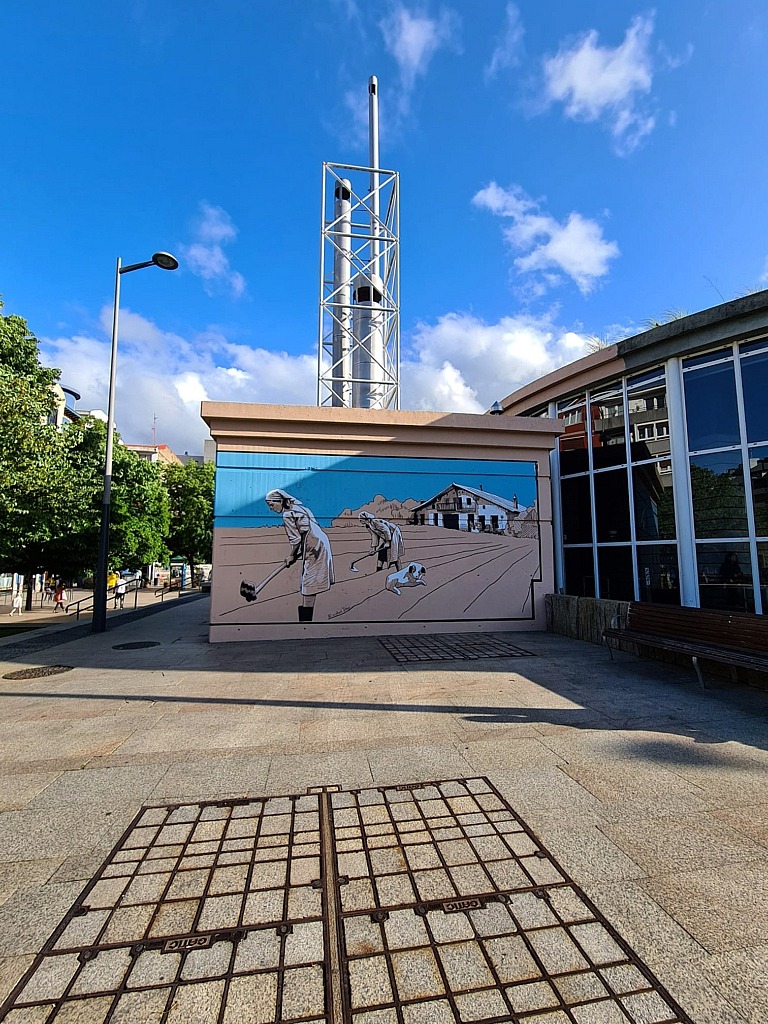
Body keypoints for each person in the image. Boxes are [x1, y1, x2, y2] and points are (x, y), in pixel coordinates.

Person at [264, 488, 334, 622]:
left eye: (272, 505)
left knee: (309, 582)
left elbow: (296, 540)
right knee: (310, 582)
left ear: (280, 501)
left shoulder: (288, 514)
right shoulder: (301, 508)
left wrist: (291, 555)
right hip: (320, 542)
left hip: (314, 547)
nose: (271, 509)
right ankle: (306, 616)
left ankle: (305, 620)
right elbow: (308, 530)